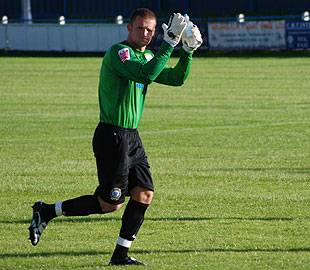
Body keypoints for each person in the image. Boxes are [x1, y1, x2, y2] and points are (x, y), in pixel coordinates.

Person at [28, 8, 202, 266]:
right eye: (141, 27)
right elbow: (145, 74)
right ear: (129, 28)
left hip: (131, 137)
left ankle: (120, 255)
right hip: (112, 135)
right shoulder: (119, 53)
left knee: (144, 194)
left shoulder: (149, 56)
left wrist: (187, 51)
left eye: (151, 30)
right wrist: (169, 44)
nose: (145, 33)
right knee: (111, 203)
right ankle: (46, 210)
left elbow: (175, 79)